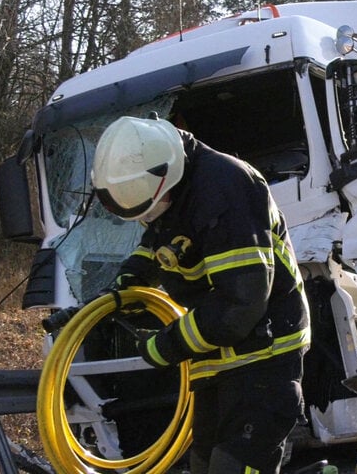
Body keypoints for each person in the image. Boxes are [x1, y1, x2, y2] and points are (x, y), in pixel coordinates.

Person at [91, 115, 310, 474]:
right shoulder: (174, 186)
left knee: (233, 467)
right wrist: (131, 278)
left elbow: (242, 304)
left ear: (166, 181)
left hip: (263, 354)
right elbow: (164, 238)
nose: (146, 220)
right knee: (205, 466)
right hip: (215, 357)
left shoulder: (226, 188)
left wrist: (167, 344)